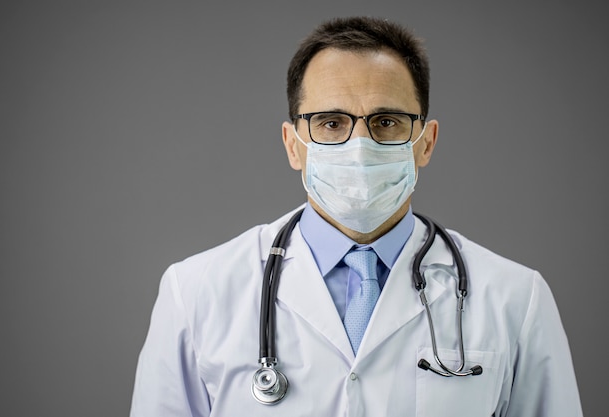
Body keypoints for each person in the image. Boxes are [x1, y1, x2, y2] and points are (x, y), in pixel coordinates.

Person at [130, 17, 583, 416]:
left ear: (426, 142)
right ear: (293, 144)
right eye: (331, 123)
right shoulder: (195, 293)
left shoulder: (515, 299)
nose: (359, 146)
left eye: (387, 122)